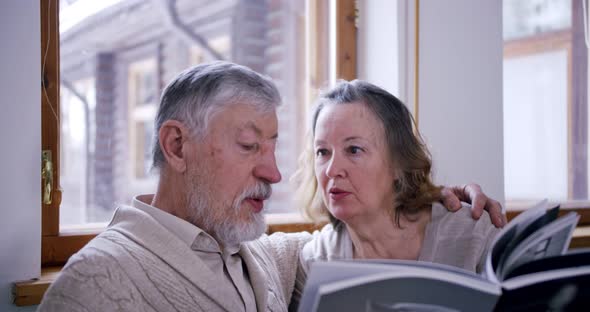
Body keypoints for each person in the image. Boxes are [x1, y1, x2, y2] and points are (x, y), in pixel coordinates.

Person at [38, 62, 504, 312]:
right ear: (177, 146)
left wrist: (437, 197)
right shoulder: (96, 281)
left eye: (273, 149)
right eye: (248, 146)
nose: (274, 173)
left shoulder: (263, 255)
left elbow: (376, 228)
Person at [291, 80, 501, 308]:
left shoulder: (473, 237)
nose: (332, 169)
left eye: (353, 150)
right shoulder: (317, 260)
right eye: (322, 152)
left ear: (399, 164)